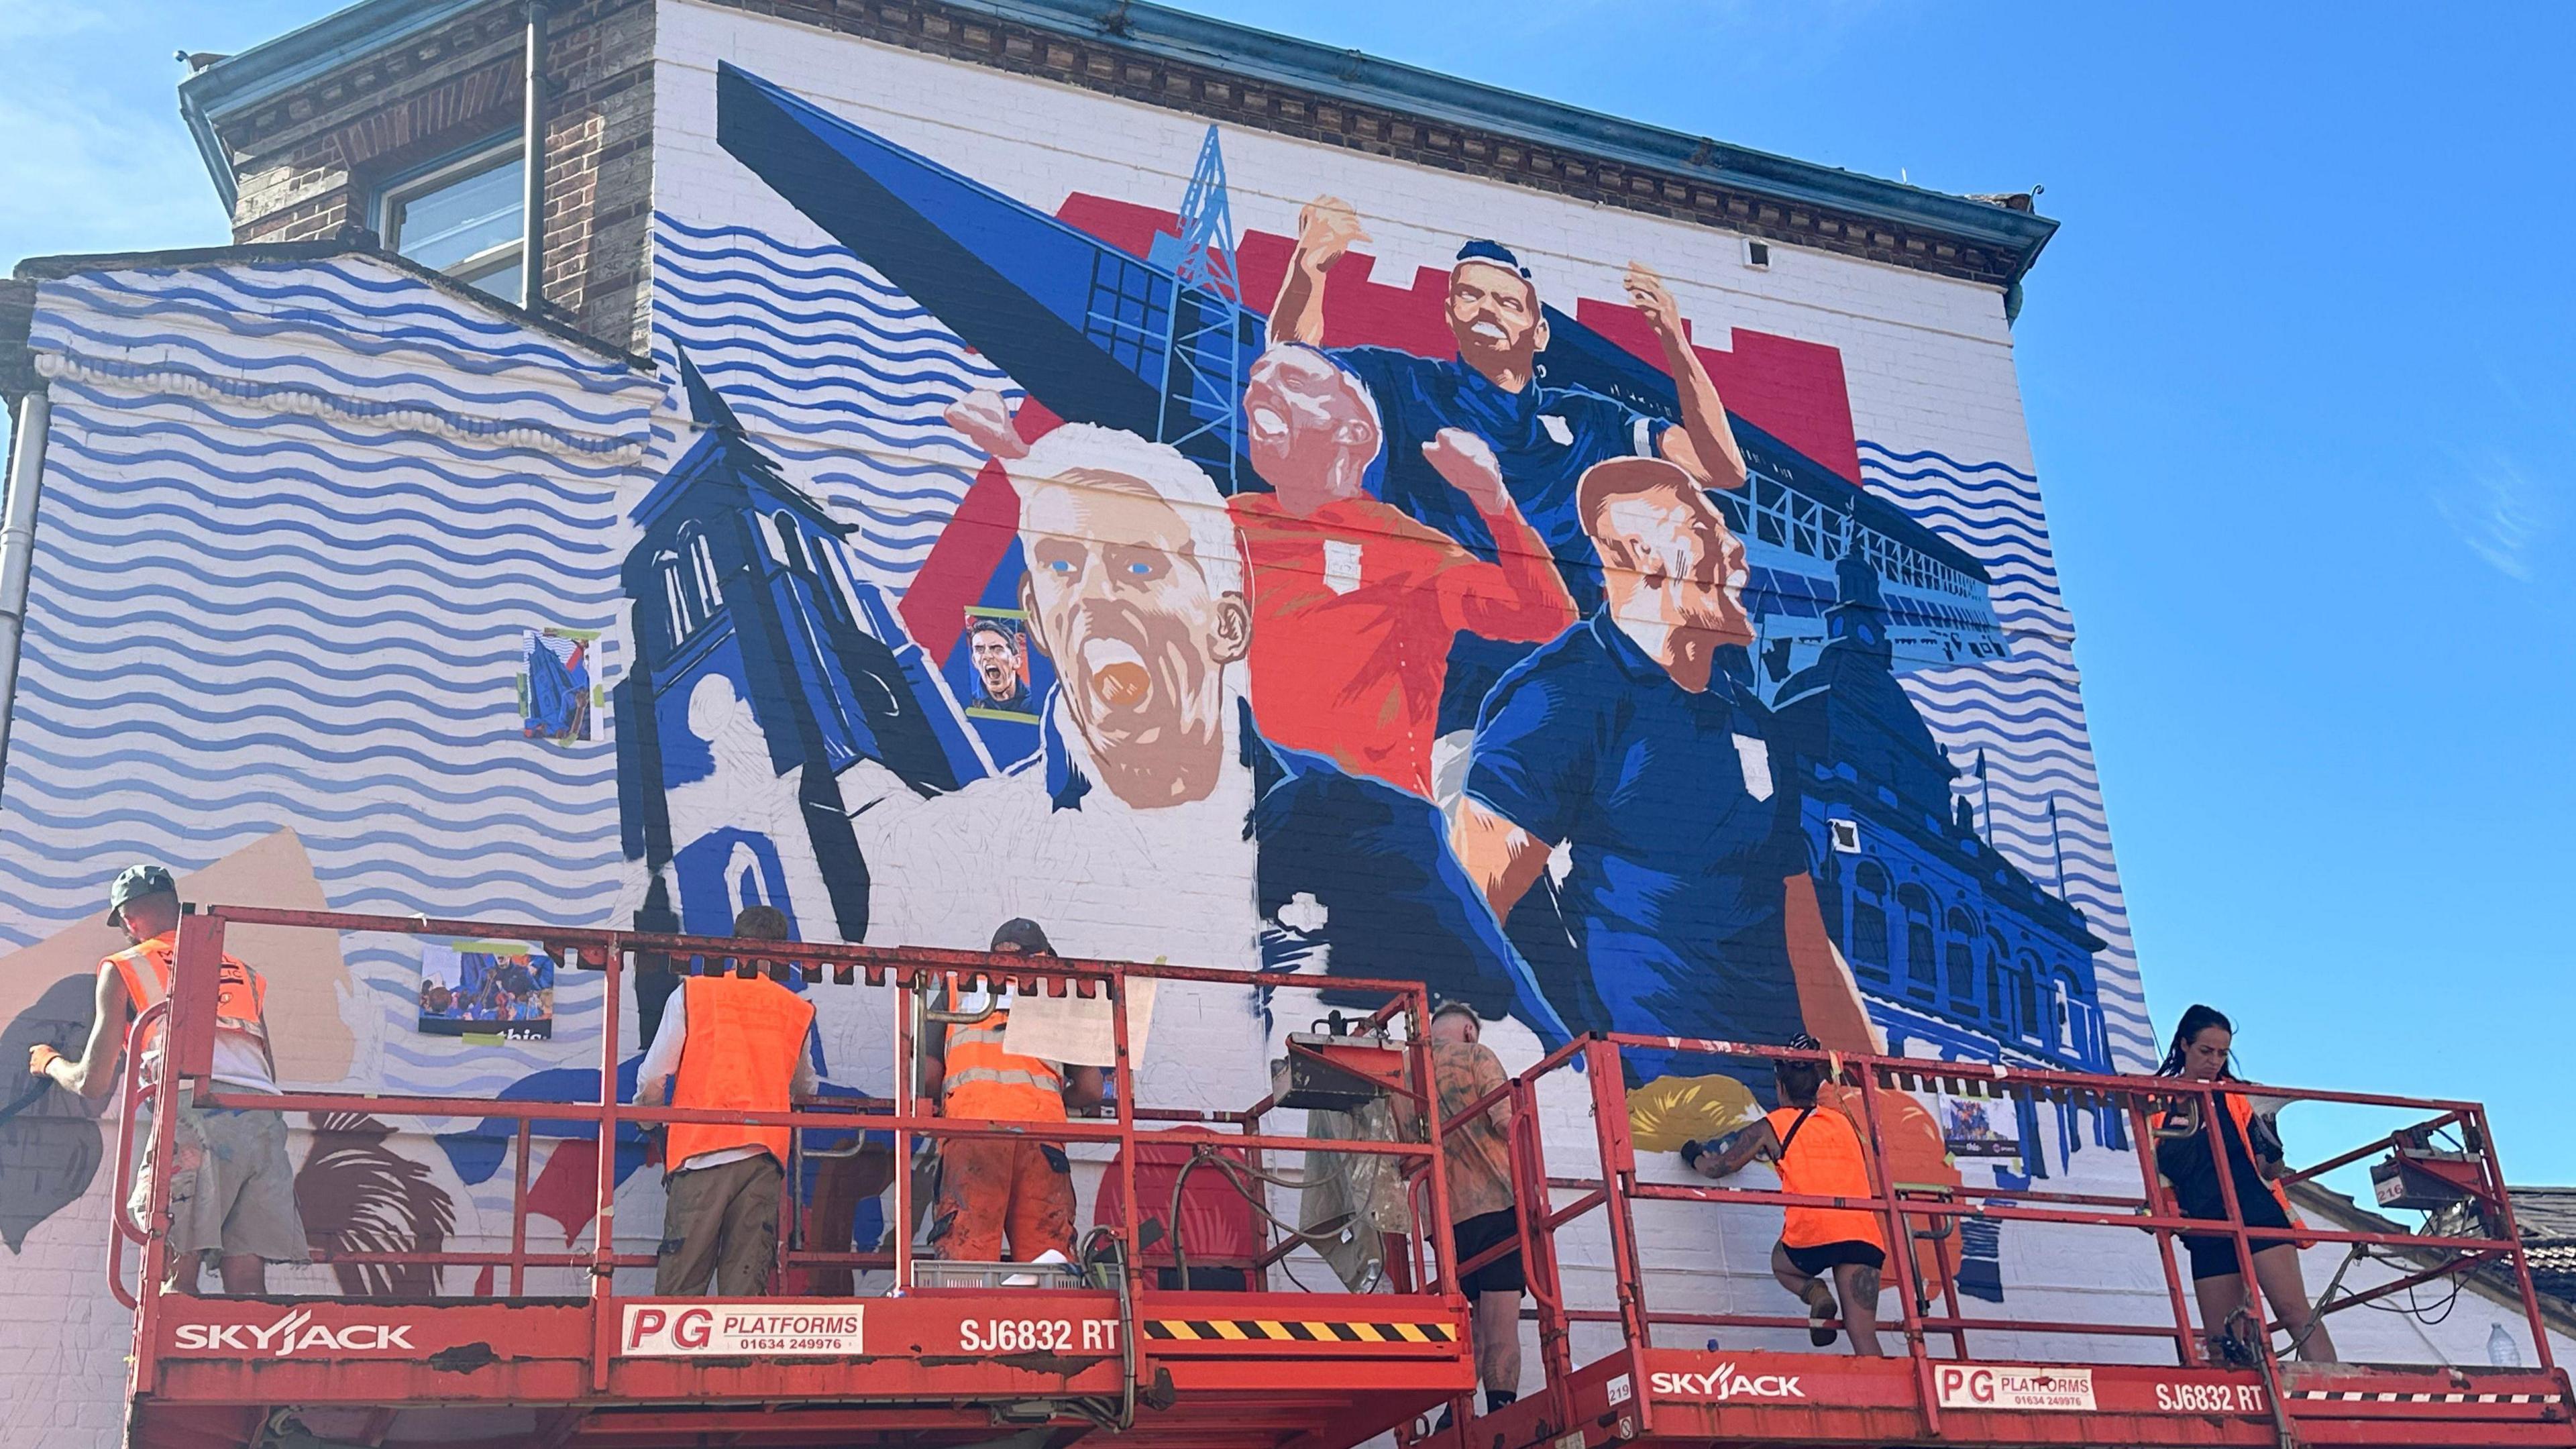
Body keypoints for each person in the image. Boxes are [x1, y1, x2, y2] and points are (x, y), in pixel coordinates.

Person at [849, 405, 1570, 1038]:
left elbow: (1551, 1069)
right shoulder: (955, 848)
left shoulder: (1371, 832)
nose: (1095, 596)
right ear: (1035, 617)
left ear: (1228, 624)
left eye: (1139, 570)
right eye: (1064, 566)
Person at [1453, 457, 1873, 1092]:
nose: (1739, 551)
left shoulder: (1757, 725)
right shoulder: (1564, 697)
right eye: (1709, 530)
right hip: (1660, 1124)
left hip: (1789, 1119)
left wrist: (1880, 1095)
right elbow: (1474, 901)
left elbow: (1804, 936)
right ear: (1640, 549)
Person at [1270, 205, 1746, 614]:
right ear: (1449, 313)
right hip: (1430, 631)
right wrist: (1308, 271)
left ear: (1539, 334)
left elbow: (1719, 467)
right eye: (1470, 296)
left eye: (1507, 302)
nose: (1486, 309)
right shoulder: (1408, 384)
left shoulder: (1590, 421)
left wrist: (1674, 341)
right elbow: (1293, 371)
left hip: (1557, 644)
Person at [1229, 345, 1575, 796]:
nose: (1260, 386)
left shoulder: (1411, 550)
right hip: (1241, 802)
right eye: (1258, 376)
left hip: (1367, 818)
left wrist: (1495, 503)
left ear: (1354, 432)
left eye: (1292, 382)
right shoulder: (1227, 522)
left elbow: (1548, 618)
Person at [25, 864, 307, 1293]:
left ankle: (171, 1360)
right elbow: (265, 1063)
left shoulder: (125, 967)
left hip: (195, 1117)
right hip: (263, 1119)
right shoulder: (243, 972)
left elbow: (92, 1082)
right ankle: (246, 1359)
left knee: (177, 1270)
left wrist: (48, 1062)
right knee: (248, 1278)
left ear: (128, 920)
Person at [635, 902, 819, 1295]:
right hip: (762, 1158)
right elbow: (806, 1088)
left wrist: (647, 1119)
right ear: (783, 953)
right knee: (743, 1295)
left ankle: (671, 1358)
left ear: (735, 946)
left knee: (680, 1291)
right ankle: (738, 1360)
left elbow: (653, 1076)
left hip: (699, 1153)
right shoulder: (795, 1010)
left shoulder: (694, 993)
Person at [2153, 1004, 2337, 1364]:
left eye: (2223, 1053)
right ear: (2183, 1045)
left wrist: (2272, 1142)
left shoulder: (2238, 1095)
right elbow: (2156, 1169)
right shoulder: (2155, 1100)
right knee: (2222, 1338)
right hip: (2205, 1224)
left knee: (2292, 1311)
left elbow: (2270, 1170)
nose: (2215, 1061)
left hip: (2255, 1211)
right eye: (2206, 1051)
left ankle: (2335, 1391)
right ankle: (2239, 1414)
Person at [1680, 1036, 1885, 1356]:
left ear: (1780, 1086)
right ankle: (1889, 1398)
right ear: (1818, 1084)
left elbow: (1720, 1168)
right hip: (1861, 1233)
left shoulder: (1772, 1126)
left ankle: (1815, 1293)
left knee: (1783, 1264)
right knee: (1865, 1337)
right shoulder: (1845, 1123)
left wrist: (1693, 1154)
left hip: (1812, 1236)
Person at [923, 918, 1104, 1268]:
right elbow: (1092, 1088)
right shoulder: (1057, 992)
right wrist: (1053, 1098)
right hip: (1043, 1139)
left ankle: (967, 1322)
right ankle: (1047, 1324)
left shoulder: (956, 986)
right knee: (1047, 1262)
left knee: (968, 1258)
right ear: (1043, 956)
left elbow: (929, 1075)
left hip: (972, 1134)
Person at [1424, 1000, 1523, 1420]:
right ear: (1468, 1032)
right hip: (1494, 1206)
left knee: (1474, 1321)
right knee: (1501, 1325)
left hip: (1444, 1223)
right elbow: (1508, 1123)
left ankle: (1451, 1414)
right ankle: (1500, 1415)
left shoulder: (1410, 1073)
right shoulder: (1475, 1056)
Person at [966, 617, 1034, 714]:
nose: (987, 656)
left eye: (996, 649)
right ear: (974, 661)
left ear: (1016, 661)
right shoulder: (968, 705)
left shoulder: (1036, 705)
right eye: (980, 650)